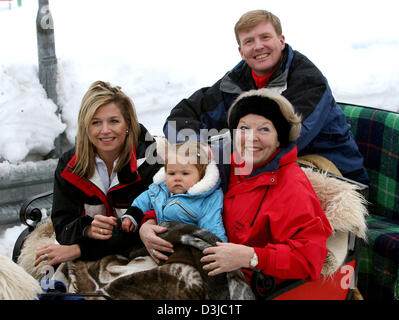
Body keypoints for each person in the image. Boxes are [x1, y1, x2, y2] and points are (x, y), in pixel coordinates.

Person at [147, 88, 332, 286]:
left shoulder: (292, 187)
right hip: (193, 254)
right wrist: (147, 223)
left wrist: (251, 256)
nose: (252, 138)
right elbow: (170, 186)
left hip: (246, 279)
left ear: (281, 137)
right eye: (244, 128)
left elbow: (309, 258)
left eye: (264, 129)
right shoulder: (223, 161)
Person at [163, 9, 369, 185]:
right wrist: (196, 147)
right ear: (241, 51)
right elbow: (181, 116)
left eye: (265, 37)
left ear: (281, 41)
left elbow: (284, 142)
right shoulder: (236, 81)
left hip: (335, 175)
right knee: (181, 174)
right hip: (274, 170)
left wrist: (216, 155)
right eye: (249, 41)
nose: (258, 46)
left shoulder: (308, 81)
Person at [34, 81, 162, 267]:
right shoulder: (70, 166)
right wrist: (87, 229)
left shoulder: (148, 161)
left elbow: (143, 228)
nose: (105, 130)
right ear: (86, 127)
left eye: (114, 121)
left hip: (139, 253)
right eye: (96, 122)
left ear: (128, 123)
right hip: (91, 254)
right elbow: (63, 226)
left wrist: (79, 249)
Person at [122, 141, 227, 262]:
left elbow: (213, 225)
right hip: (157, 246)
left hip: (185, 249)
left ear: (201, 175)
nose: (177, 178)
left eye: (185, 173)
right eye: (171, 173)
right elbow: (144, 200)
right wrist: (132, 214)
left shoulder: (206, 199)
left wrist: (218, 251)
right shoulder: (160, 190)